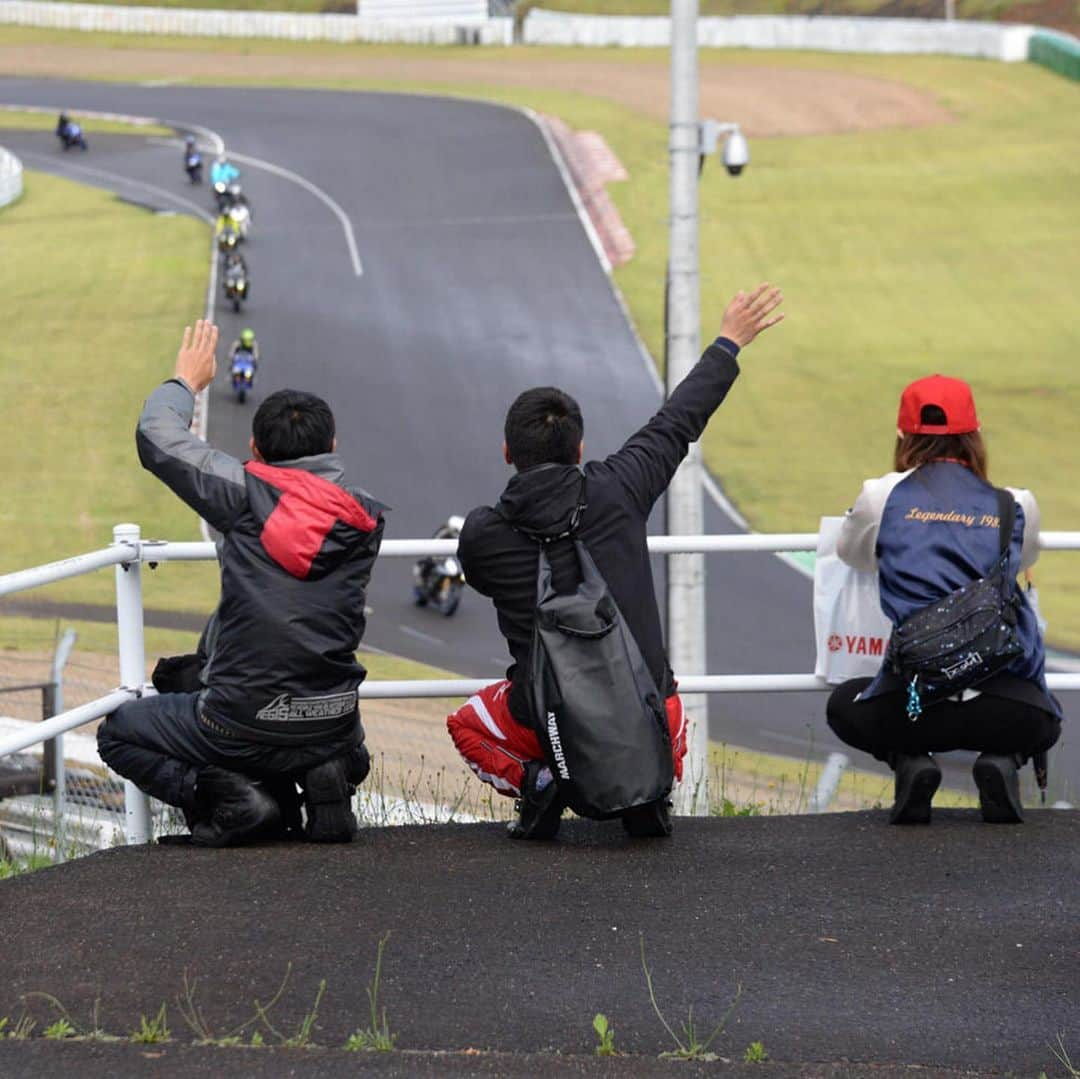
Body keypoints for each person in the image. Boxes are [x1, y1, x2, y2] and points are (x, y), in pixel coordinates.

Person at [446, 283, 784, 840]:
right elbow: (678, 420)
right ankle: (651, 790)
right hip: (645, 712)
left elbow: (480, 580)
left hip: (546, 719)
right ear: (579, 449)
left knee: (466, 724)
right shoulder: (621, 487)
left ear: (508, 454)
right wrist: (729, 341)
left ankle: (538, 787)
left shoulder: (484, 534)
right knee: (671, 702)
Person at [97, 320, 387, 846]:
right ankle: (330, 773)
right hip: (335, 722)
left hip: (239, 721)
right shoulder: (366, 517)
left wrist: (184, 382)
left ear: (254, 446)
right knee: (207, 683)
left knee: (117, 733)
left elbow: (158, 437)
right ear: (334, 445)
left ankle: (234, 798)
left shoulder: (242, 495)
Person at [825, 374, 1062, 825]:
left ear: (902, 435)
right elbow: (1024, 557)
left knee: (842, 706)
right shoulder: (1015, 504)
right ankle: (1001, 760)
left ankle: (910, 761)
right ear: (975, 435)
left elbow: (850, 554)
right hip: (1006, 710)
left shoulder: (881, 496)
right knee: (1048, 717)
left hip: (911, 706)